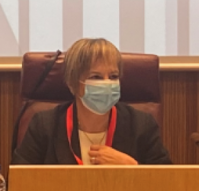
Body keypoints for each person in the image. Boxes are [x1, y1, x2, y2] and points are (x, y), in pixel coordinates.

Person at [12, 37, 171, 165]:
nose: (107, 83)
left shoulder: (141, 125)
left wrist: (132, 167)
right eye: (96, 77)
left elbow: (167, 185)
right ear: (73, 84)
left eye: (113, 76)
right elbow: (18, 182)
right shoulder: (45, 125)